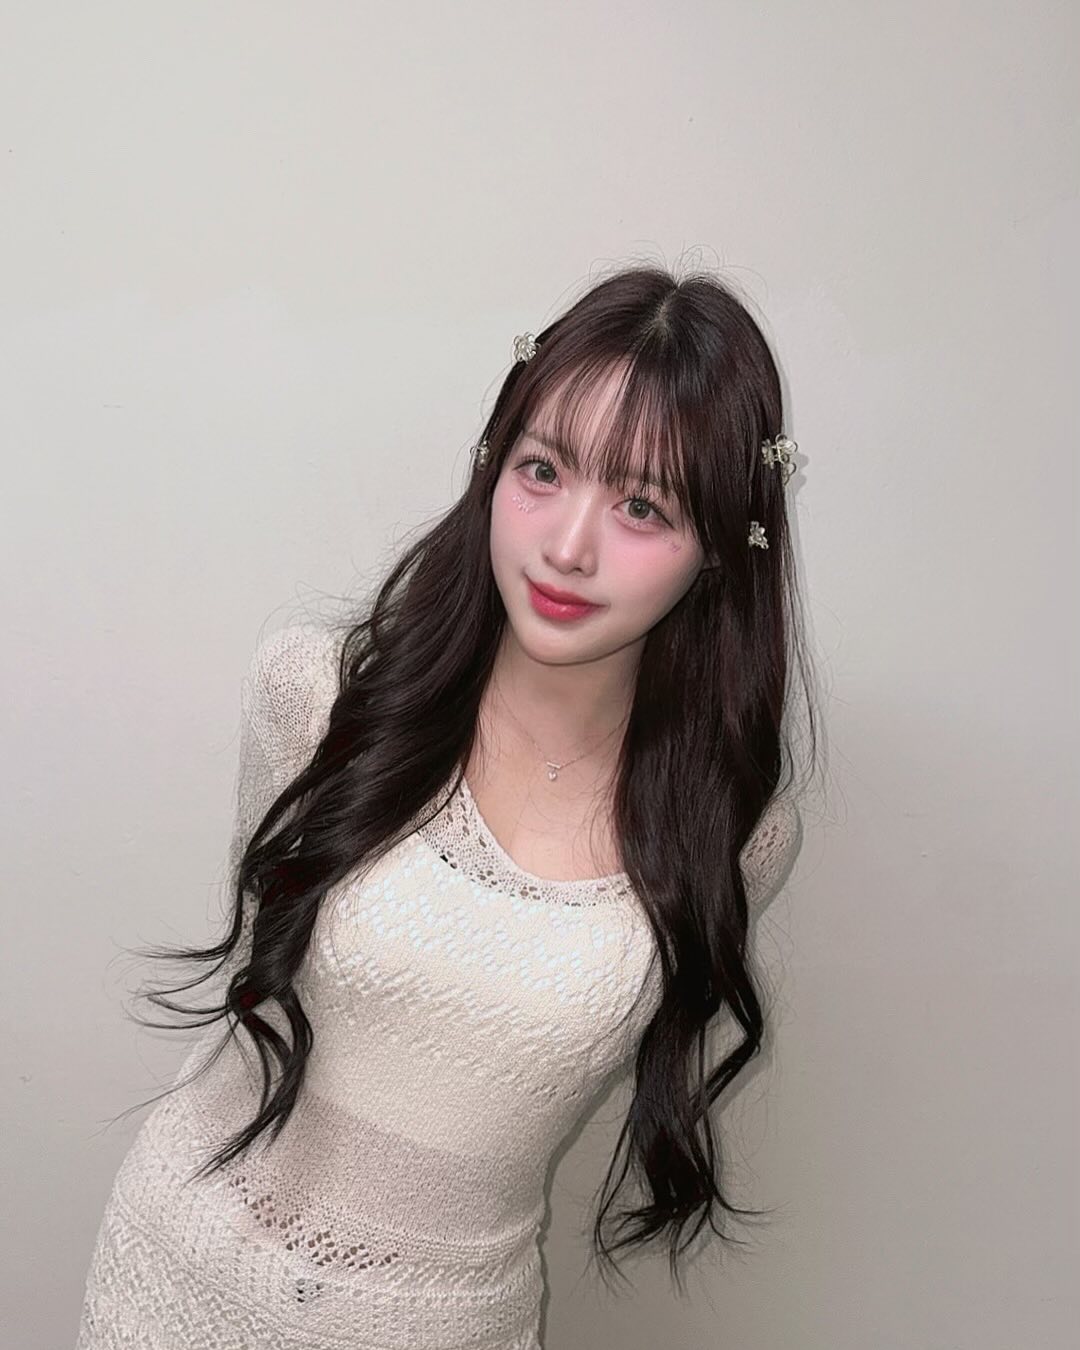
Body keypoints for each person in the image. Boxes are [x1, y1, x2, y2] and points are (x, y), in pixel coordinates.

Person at [75, 264, 818, 1349]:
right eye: (543, 470)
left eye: (643, 506)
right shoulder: (315, 698)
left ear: (721, 549)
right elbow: (256, 970)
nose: (568, 546)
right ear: (491, 465)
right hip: (180, 1286)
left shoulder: (738, 839)